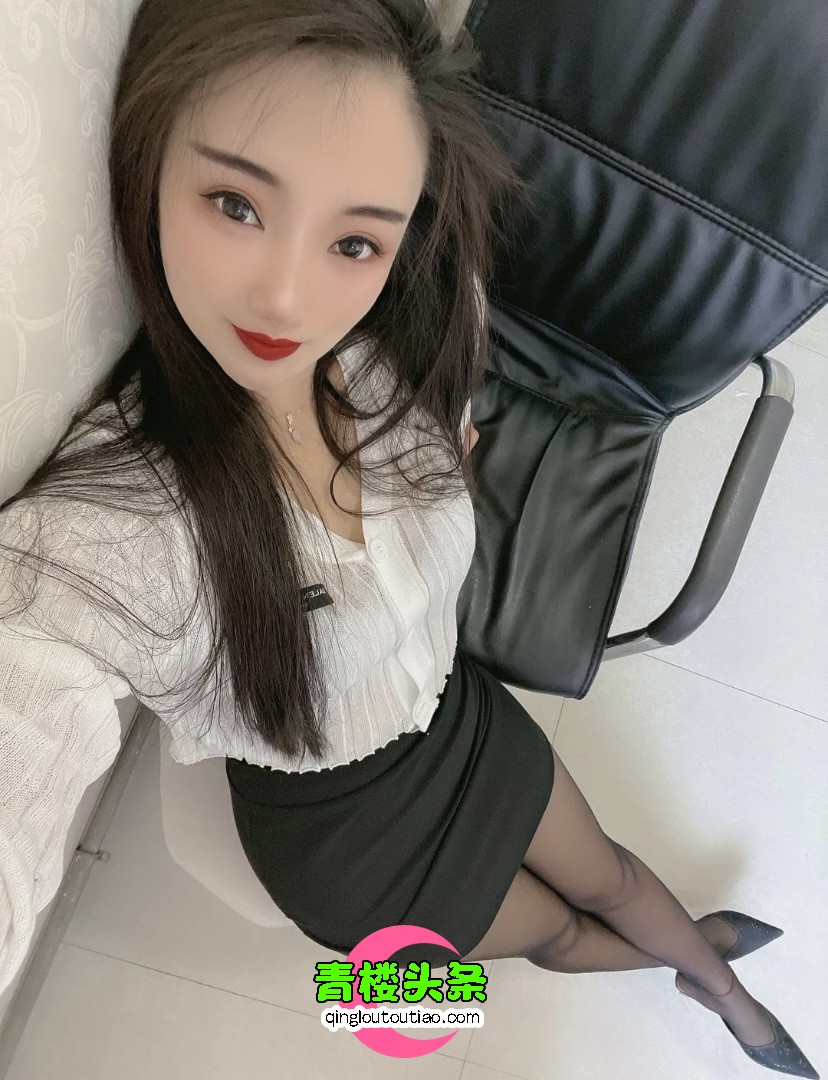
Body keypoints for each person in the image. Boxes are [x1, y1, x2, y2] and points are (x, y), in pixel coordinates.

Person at [0, 1, 817, 1076]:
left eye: (353, 239)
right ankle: (684, 966)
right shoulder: (111, 531)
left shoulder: (398, 347)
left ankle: (723, 993)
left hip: (452, 720)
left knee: (612, 874)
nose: (286, 293)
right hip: (345, 853)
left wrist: (439, 468)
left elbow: (441, 408)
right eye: (236, 203)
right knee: (553, 936)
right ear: (153, 162)